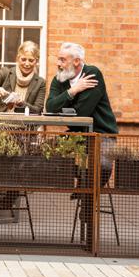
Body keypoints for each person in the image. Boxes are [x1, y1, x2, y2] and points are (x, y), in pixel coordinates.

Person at [46, 42, 118, 187]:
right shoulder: (59, 79)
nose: (58, 63)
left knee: (102, 167)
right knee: (46, 155)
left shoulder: (92, 73)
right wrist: (72, 91)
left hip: (102, 133)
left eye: (62, 60)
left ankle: (86, 201)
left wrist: (64, 105)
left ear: (77, 61)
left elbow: (81, 113)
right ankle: (83, 181)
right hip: (76, 133)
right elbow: (50, 107)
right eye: (58, 59)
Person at [0, 41, 46, 114]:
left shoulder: (40, 83)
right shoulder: (5, 73)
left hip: (25, 124)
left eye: (31, 60)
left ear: (36, 61)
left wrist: (21, 103)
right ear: (17, 58)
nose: (27, 64)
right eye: (23, 59)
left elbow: (38, 110)